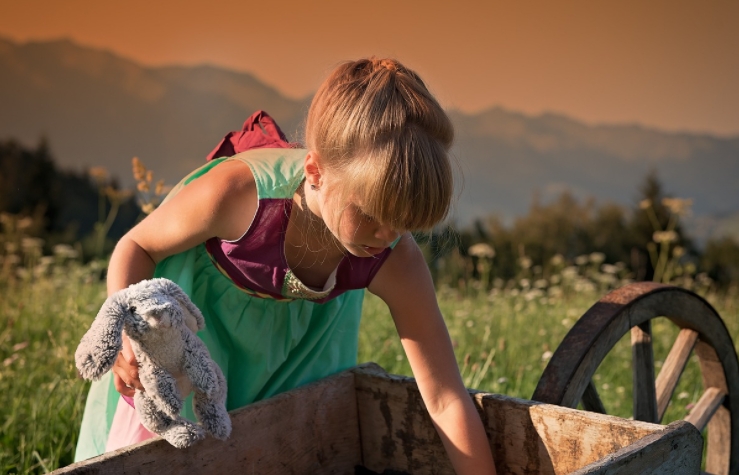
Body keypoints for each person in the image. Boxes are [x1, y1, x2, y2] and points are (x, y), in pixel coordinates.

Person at [75, 58, 497, 474]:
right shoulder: (237, 196)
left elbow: (444, 398)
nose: (387, 235)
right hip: (201, 336)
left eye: (403, 221)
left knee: (289, 450)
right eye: (370, 213)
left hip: (297, 358)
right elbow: (137, 245)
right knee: (175, 455)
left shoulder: (394, 255)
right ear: (316, 170)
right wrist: (128, 332)